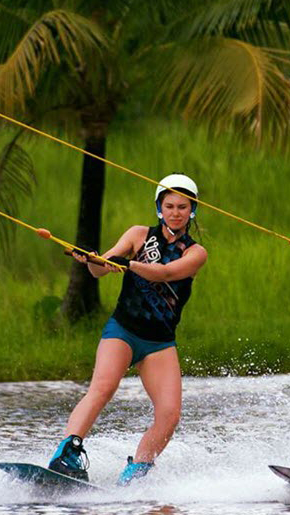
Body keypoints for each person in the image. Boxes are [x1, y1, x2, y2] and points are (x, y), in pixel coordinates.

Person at [48, 173, 208, 486]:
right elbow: (100, 270)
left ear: (192, 210)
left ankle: (137, 471)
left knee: (170, 414)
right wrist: (90, 259)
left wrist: (129, 264)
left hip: (159, 343)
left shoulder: (195, 252)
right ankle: (67, 452)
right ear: (159, 208)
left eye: (183, 207)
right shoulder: (138, 234)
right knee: (103, 388)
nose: (176, 213)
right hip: (123, 331)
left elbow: (165, 273)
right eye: (170, 206)